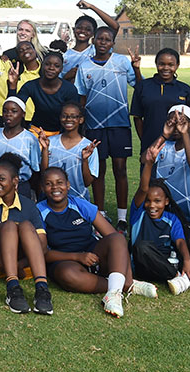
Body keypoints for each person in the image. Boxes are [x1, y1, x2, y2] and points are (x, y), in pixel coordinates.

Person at [37, 167, 157, 318]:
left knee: (118, 238)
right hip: (66, 260)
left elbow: (113, 236)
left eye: (60, 182)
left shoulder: (79, 204)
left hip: (94, 253)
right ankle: (125, 286)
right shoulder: (39, 211)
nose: (55, 187)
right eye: (48, 184)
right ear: (42, 187)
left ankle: (114, 294)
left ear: (68, 185)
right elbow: (43, 254)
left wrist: (127, 273)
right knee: (67, 275)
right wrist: (78, 257)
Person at [74, 26, 139, 229]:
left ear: (112, 43)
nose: (103, 42)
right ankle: (100, 213)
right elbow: (81, 98)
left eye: (107, 39)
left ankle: (122, 216)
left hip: (119, 124)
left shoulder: (121, 62)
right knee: (98, 170)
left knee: (120, 169)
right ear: (94, 41)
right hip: (94, 126)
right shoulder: (85, 67)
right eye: (99, 39)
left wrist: (136, 67)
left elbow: (139, 84)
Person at [0, 155, 51, 315]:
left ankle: (42, 290)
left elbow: (43, 246)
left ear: (15, 181)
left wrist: (18, 265)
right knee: (9, 226)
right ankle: (12, 288)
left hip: (22, 268)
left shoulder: (28, 205)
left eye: (1, 179)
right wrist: (6, 266)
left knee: (26, 225)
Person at [130, 163, 190, 295]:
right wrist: (148, 163)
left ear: (166, 201)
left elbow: (180, 242)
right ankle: (182, 278)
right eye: (148, 201)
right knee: (141, 247)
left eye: (157, 201)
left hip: (170, 262)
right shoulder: (139, 214)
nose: (152, 205)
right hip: (147, 265)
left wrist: (187, 261)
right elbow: (143, 189)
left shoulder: (171, 218)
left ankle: (188, 278)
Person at [131, 48, 190, 156]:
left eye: (170, 64)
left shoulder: (184, 89)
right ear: (156, 64)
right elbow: (137, 117)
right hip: (151, 145)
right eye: (161, 64)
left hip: (177, 148)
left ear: (177, 65)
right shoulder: (143, 86)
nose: (166, 68)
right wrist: (145, 140)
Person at [40, 102, 99, 201]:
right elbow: (44, 174)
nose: (68, 119)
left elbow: (87, 182)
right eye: (64, 116)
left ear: (81, 120)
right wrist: (45, 150)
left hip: (79, 199)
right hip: (51, 199)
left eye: (73, 116)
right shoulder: (50, 142)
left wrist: (84, 160)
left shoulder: (88, 147)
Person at [0, 97, 41, 199]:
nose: (8, 114)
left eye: (14, 111)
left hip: (20, 187)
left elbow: (36, 169)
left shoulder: (30, 139)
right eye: (5, 111)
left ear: (23, 114)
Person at [11, 51, 76, 135]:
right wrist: (12, 85)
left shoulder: (69, 89)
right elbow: (14, 106)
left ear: (61, 69)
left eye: (56, 66)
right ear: (42, 65)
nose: (51, 68)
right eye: (47, 64)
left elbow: (75, 116)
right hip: (35, 130)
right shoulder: (31, 85)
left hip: (60, 133)